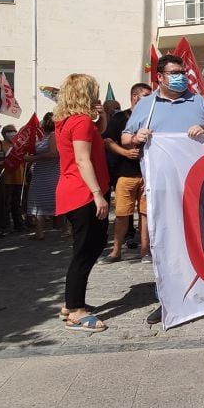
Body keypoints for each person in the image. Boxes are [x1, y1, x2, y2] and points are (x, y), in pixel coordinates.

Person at [124, 54, 204, 324]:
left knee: (200, 239)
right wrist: (135, 138)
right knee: (166, 242)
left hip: (198, 187)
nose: (181, 76)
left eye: (183, 71)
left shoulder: (198, 101)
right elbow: (125, 137)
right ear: (160, 77)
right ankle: (167, 298)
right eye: (175, 72)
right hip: (162, 189)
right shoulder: (147, 105)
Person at [54, 74, 111, 332]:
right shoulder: (81, 122)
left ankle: (71, 303)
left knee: (91, 246)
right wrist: (98, 193)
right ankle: (76, 310)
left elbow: (96, 135)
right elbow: (82, 159)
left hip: (75, 191)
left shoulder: (69, 121)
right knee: (84, 251)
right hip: (83, 193)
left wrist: (102, 117)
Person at [103, 82, 152, 263]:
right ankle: (116, 250)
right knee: (123, 213)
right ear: (135, 97)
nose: (150, 99)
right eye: (146, 95)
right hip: (126, 173)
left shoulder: (152, 116)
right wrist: (125, 152)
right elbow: (107, 140)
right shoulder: (120, 117)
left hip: (148, 174)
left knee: (146, 214)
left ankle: (145, 251)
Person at [25, 112, 59, 240]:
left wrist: (34, 158)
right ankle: (39, 232)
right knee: (37, 200)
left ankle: (66, 228)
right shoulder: (42, 137)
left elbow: (54, 154)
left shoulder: (54, 136)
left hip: (51, 173)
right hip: (39, 173)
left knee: (54, 200)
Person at [0, 124, 27, 232]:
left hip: (19, 177)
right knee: (6, 202)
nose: (12, 133)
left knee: (17, 203)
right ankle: (5, 224)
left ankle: (19, 224)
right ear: (4, 134)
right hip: (7, 178)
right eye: (9, 131)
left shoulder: (20, 145)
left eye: (13, 131)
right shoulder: (1, 144)